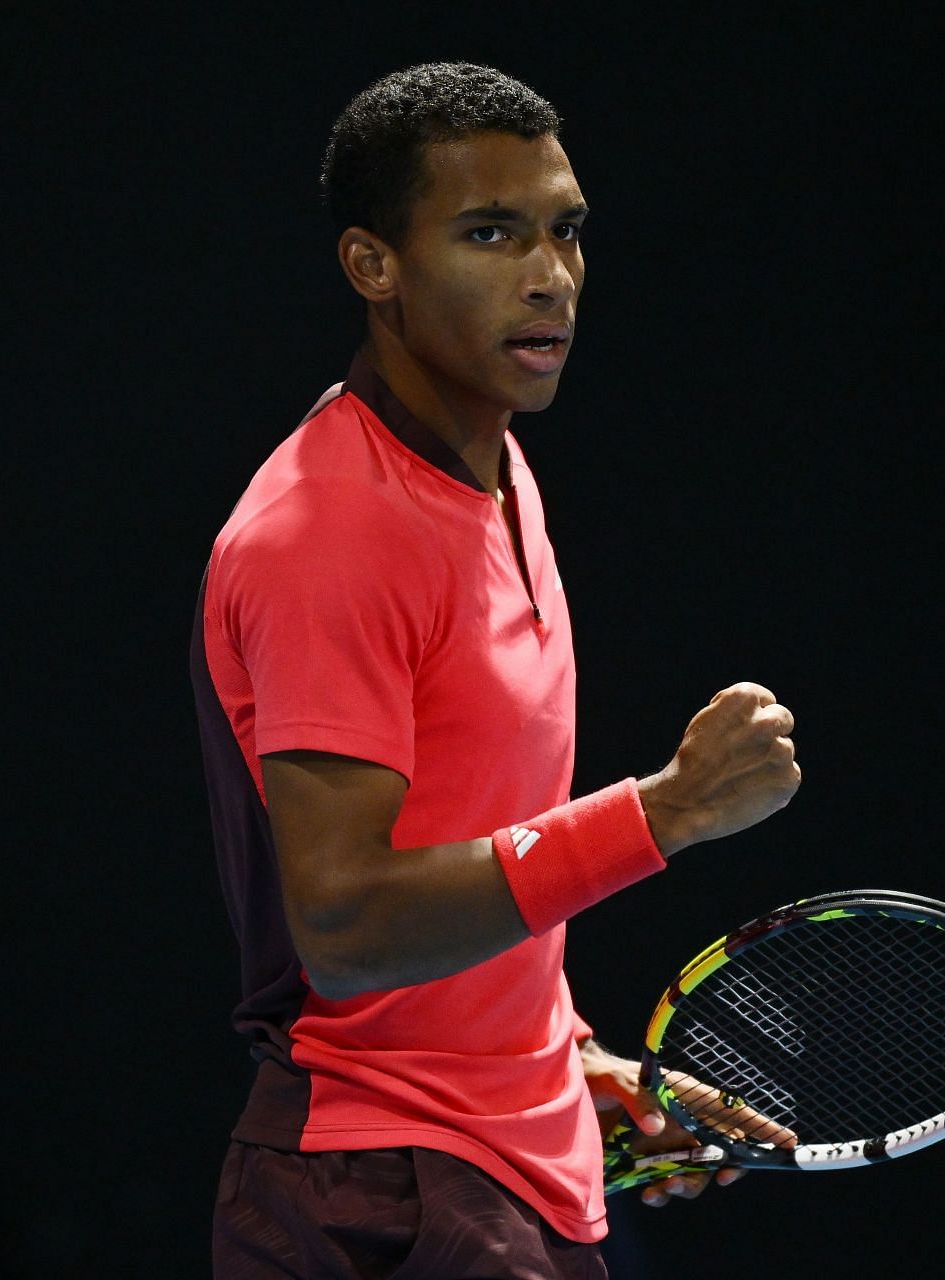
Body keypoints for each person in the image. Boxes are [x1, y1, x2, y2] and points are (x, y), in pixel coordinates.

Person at [190, 63, 800, 1278]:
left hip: (506, 1174)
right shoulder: (328, 534)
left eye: (564, 231)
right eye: (489, 233)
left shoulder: (498, 472)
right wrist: (665, 812)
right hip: (379, 1200)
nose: (550, 275)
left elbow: (470, 839)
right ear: (374, 266)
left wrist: (563, 1054)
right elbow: (348, 925)